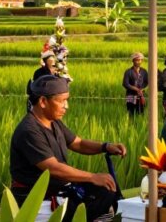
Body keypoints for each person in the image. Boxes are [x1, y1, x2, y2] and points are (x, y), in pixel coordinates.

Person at [10, 75, 126, 222]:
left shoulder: (54, 122)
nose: (66, 106)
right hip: (38, 201)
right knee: (96, 197)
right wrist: (92, 177)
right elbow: (53, 168)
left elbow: (78, 143)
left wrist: (106, 147)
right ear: (43, 101)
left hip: (59, 190)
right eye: (62, 101)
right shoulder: (29, 130)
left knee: (105, 191)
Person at [122, 52, 148, 117]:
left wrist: (142, 89)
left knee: (141, 113)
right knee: (131, 113)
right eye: (137, 60)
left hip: (141, 95)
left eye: (140, 60)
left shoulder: (144, 71)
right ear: (133, 61)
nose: (139, 62)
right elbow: (125, 83)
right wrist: (136, 89)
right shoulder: (128, 72)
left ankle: (139, 125)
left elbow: (146, 82)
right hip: (131, 96)